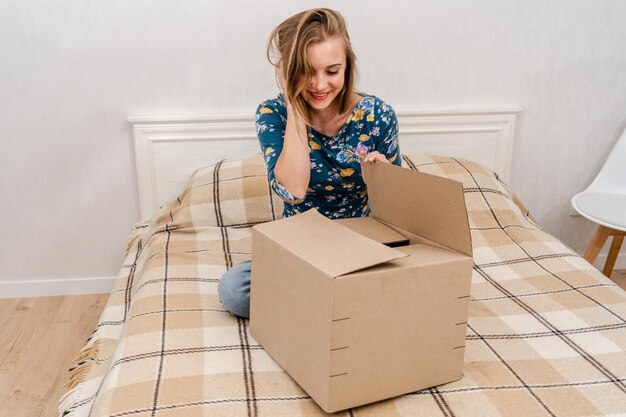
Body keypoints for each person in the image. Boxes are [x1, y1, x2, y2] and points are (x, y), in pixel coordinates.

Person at [218, 8, 401, 318]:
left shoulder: (377, 114)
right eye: (306, 71)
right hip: (303, 248)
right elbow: (293, 191)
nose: (319, 84)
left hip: (364, 245)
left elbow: (401, 210)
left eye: (332, 71)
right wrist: (294, 105)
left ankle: (322, 300)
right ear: (288, 70)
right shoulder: (272, 114)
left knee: (412, 279)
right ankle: (339, 299)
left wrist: (380, 178)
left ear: (347, 68)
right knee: (234, 290)